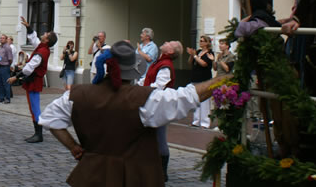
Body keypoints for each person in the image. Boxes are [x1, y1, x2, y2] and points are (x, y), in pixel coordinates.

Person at [40, 40, 230, 187]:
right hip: (135, 177)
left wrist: (74, 147)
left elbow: (49, 119)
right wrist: (223, 80)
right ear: (134, 69)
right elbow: (187, 97)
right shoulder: (146, 99)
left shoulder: (76, 95)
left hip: (91, 175)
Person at [8, 16, 58, 143]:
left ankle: (38, 134)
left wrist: (16, 77)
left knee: (34, 108)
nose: (44, 33)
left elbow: (29, 68)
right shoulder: (42, 47)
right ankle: (38, 132)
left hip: (34, 81)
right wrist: (28, 27)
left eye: (46, 34)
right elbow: (34, 39)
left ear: (47, 40)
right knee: (33, 107)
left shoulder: (42, 51)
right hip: (33, 80)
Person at [143, 40, 183, 182]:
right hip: (152, 103)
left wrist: (142, 91)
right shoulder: (159, 62)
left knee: (160, 137)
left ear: (170, 51)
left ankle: (162, 172)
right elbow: (148, 79)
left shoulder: (165, 66)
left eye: (169, 43)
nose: (166, 42)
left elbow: (158, 86)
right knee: (152, 137)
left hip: (159, 105)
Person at [187, 35, 214, 128]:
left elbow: (204, 64)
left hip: (204, 79)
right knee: (196, 99)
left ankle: (205, 122)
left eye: (202, 41)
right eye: (200, 40)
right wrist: (192, 55)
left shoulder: (209, 53)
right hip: (195, 78)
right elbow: (190, 62)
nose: (200, 42)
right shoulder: (198, 52)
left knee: (204, 101)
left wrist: (195, 56)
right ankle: (196, 121)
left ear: (207, 43)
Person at [0, 34, 13, 103]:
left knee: (6, 83)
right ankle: (1, 97)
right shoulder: (0, 47)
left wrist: (8, 65)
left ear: (6, 39)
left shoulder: (7, 47)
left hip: (5, 67)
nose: (1, 39)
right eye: (0, 38)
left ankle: (7, 98)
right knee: (0, 83)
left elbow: (10, 59)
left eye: (3, 38)